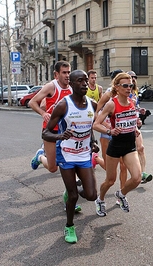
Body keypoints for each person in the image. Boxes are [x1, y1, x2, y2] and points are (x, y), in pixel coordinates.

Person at [42, 69, 98, 244]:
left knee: (91, 195)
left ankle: (71, 191)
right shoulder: (63, 105)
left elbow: (89, 126)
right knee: (73, 196)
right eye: (80, 81)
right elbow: (46, 133)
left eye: (86, 80)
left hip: (83, 154)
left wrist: (93, 141)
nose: (84, 84)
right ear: (72, 84)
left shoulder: (93, 104)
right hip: (66, 154)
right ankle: (69, 226)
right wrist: (60, 136)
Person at [93, 72, 142, 216]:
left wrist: (136, 127)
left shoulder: (131, 102)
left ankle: (121, 194)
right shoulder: (111, 104)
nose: (129, 88)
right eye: (125, 86)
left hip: (129, 145)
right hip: (115, 146)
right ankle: (100, 199)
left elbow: (131, 121)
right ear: (117, 87)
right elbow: (96, 124)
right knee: (110, 180)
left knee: (137, 178)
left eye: (131, 85)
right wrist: (110, 131)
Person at [29, 61, 72, 173]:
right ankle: (40, 157)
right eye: (64, 73)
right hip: (51, 130)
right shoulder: (51, 87)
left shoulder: (72, 87)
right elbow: (32, 102)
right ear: (56, 74)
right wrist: (43, 113)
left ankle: (70, 188)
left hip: (67, 130)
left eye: (69, 72)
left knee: (71, 161)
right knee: (53, 168)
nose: (67, 75)